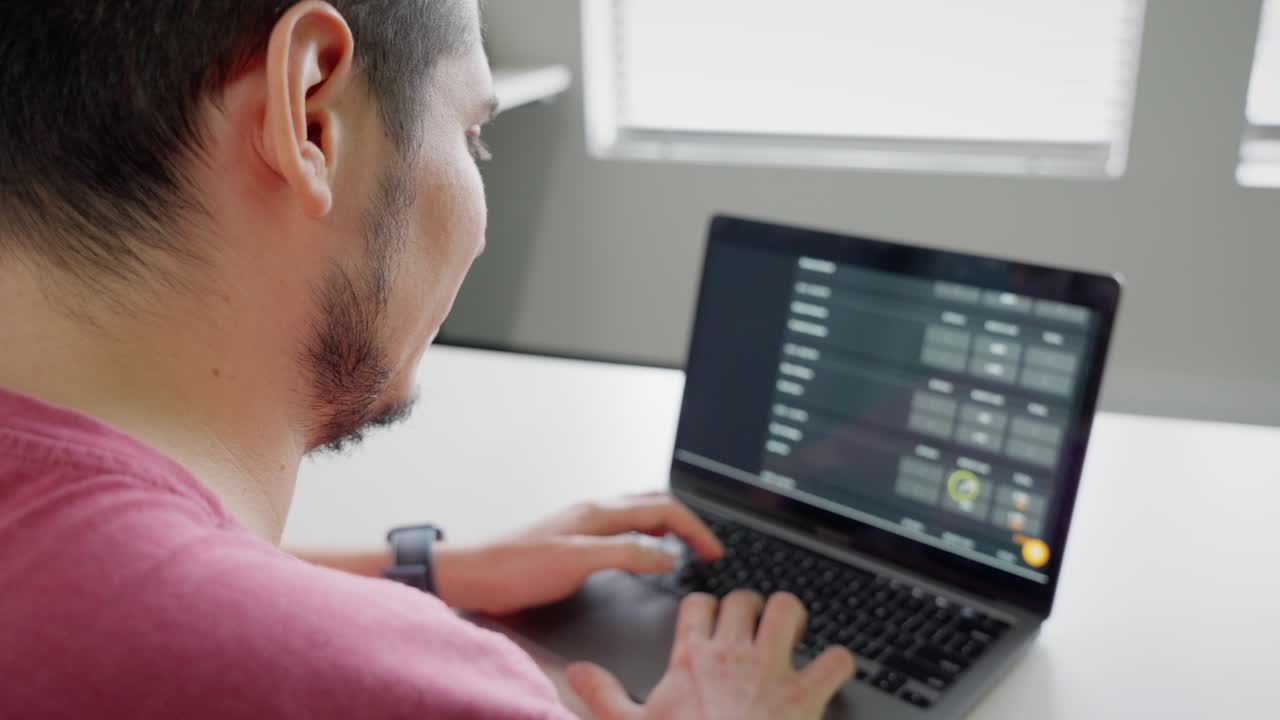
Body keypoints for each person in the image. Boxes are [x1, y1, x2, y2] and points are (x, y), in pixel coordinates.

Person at [0, 1, 855, 718]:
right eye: (473, 133)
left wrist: (430, 571)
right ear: (309, 116)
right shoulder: (392, 685)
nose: (480, 215)